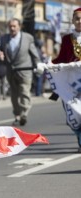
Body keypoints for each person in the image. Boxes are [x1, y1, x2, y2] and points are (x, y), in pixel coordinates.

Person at [49, 7, 81, 152]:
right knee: (73, 114)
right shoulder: (67, 39)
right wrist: (48, 65)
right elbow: (62, 59)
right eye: (77, 18)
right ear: (73, 20)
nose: (79, 21)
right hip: (71, 80)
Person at [0, 18, 41, 126]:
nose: (12, 28)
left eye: (14, 26)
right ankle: (17, 114)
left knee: (24, 92)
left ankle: (24, 114)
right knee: (14, 95)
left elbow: (34, 53)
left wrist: (39, 65)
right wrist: (0, 56)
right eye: (10, 26)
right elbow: (0, 52)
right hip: (11, 71)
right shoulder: (4, 39)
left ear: (19, 26)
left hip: (25, 70)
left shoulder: (27, 38)